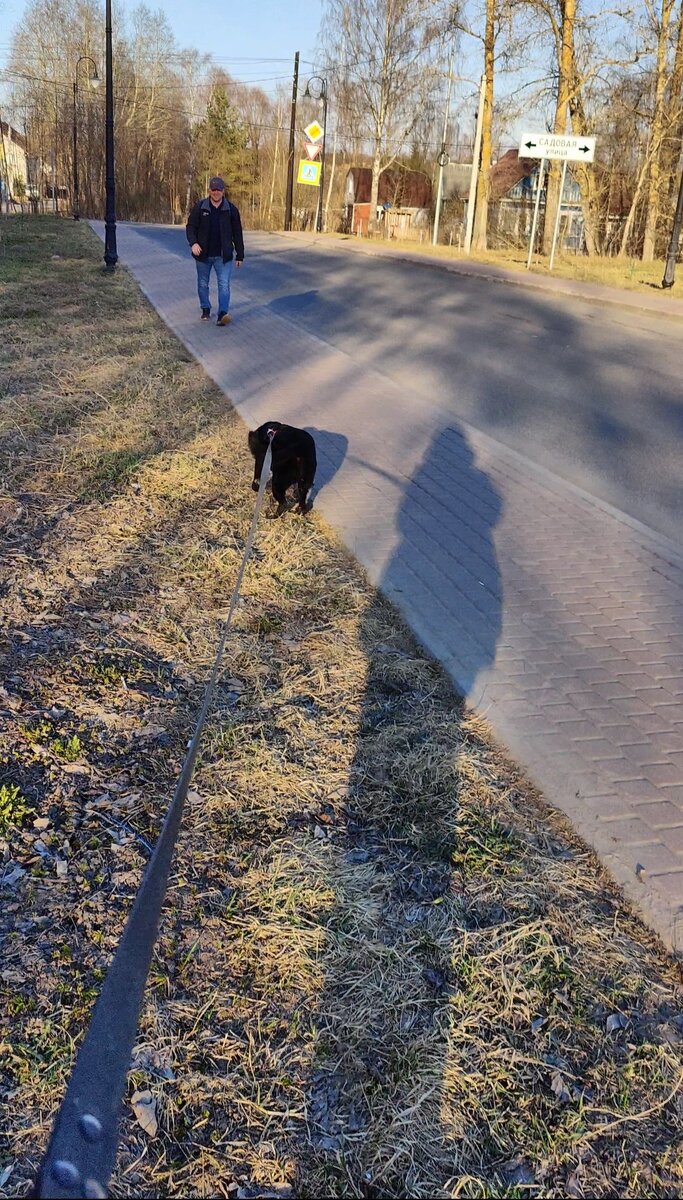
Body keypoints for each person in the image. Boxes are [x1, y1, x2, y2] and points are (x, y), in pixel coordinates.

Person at [186, 176, 244, 326]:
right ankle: (205, 308)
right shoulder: (200, 207)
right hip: (203, 255)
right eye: (213, 189)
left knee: (224, 285)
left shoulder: (231, 210)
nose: (216, 192)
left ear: (223, 191)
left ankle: (222, 314)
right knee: (202, 284)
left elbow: (237, 233)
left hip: (223, 256)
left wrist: (240, 254)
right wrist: (193, 243)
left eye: (219, 189)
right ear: (209, 190)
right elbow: (190, 227)